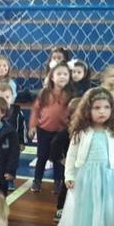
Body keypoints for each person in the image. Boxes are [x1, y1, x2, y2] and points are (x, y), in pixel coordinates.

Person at [55, 88, 114, 226]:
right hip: (86, 177)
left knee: (109, 210)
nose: (102, 111)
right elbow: (71, 155)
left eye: (106, 107)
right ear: (87, 110)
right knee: (86, 208)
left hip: (110, 177)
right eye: (97, 108)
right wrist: (69, 175)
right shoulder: (81, 131)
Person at [29, 62, 72, 193]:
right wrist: (32, 126)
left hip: (61, 133)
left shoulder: (70, 94)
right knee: (42, 157)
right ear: (52, 77)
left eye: (65, 74)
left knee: (58, 159)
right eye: (59, 74)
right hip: (44, 131)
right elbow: (36, 110)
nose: (62, 76)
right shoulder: (44, 93)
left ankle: (58, 182)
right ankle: (37, 181)